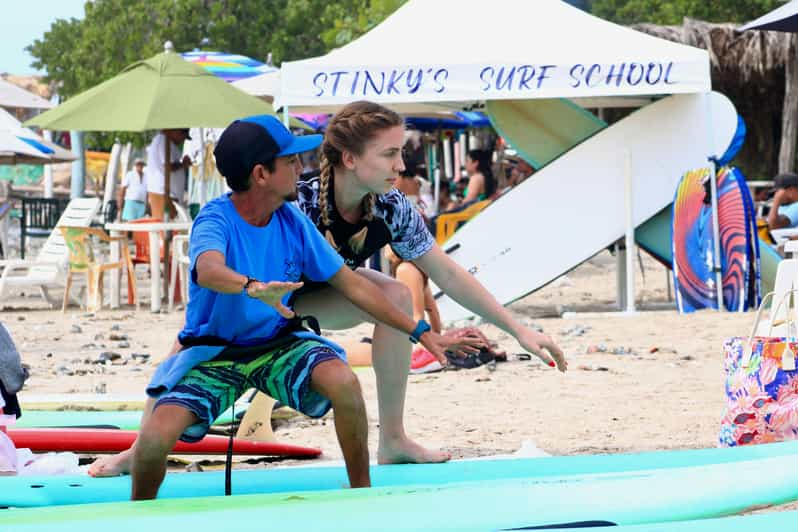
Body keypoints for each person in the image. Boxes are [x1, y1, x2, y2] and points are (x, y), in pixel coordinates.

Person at [89, 101, 565, 478]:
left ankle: (393, 439)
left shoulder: (392, 207)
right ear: (350, 159)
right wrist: (248, 292)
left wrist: (518, 329)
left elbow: (447, 273)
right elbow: (222, 258)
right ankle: (139, 449)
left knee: (395, 294)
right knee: (192, 338)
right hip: (259, 297)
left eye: (401, 153)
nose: (401, 165)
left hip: (321, 295)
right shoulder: (294, 191)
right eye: (389, 154)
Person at [126, 115, 456, 499]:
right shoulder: (215, 218)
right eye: (291, 162)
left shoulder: (292, 220)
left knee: (345, 384)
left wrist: (418, 331)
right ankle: (140, 513)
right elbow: (209, 269)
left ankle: (362, 496)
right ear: (261, 174)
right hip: (215, 352)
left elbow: (352, 285)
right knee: (152, 443)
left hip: (278, 343)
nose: (302, 168)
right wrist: (252, 287)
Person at [145, 129, 192, 219]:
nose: (182, 141)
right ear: (175, 131)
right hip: (164, 194)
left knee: (169, 227)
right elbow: (168, 166)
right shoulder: (162, 140)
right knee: (166, 226)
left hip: (169, 194)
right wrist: (183, 164)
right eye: (182, 137)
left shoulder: (168, 142)